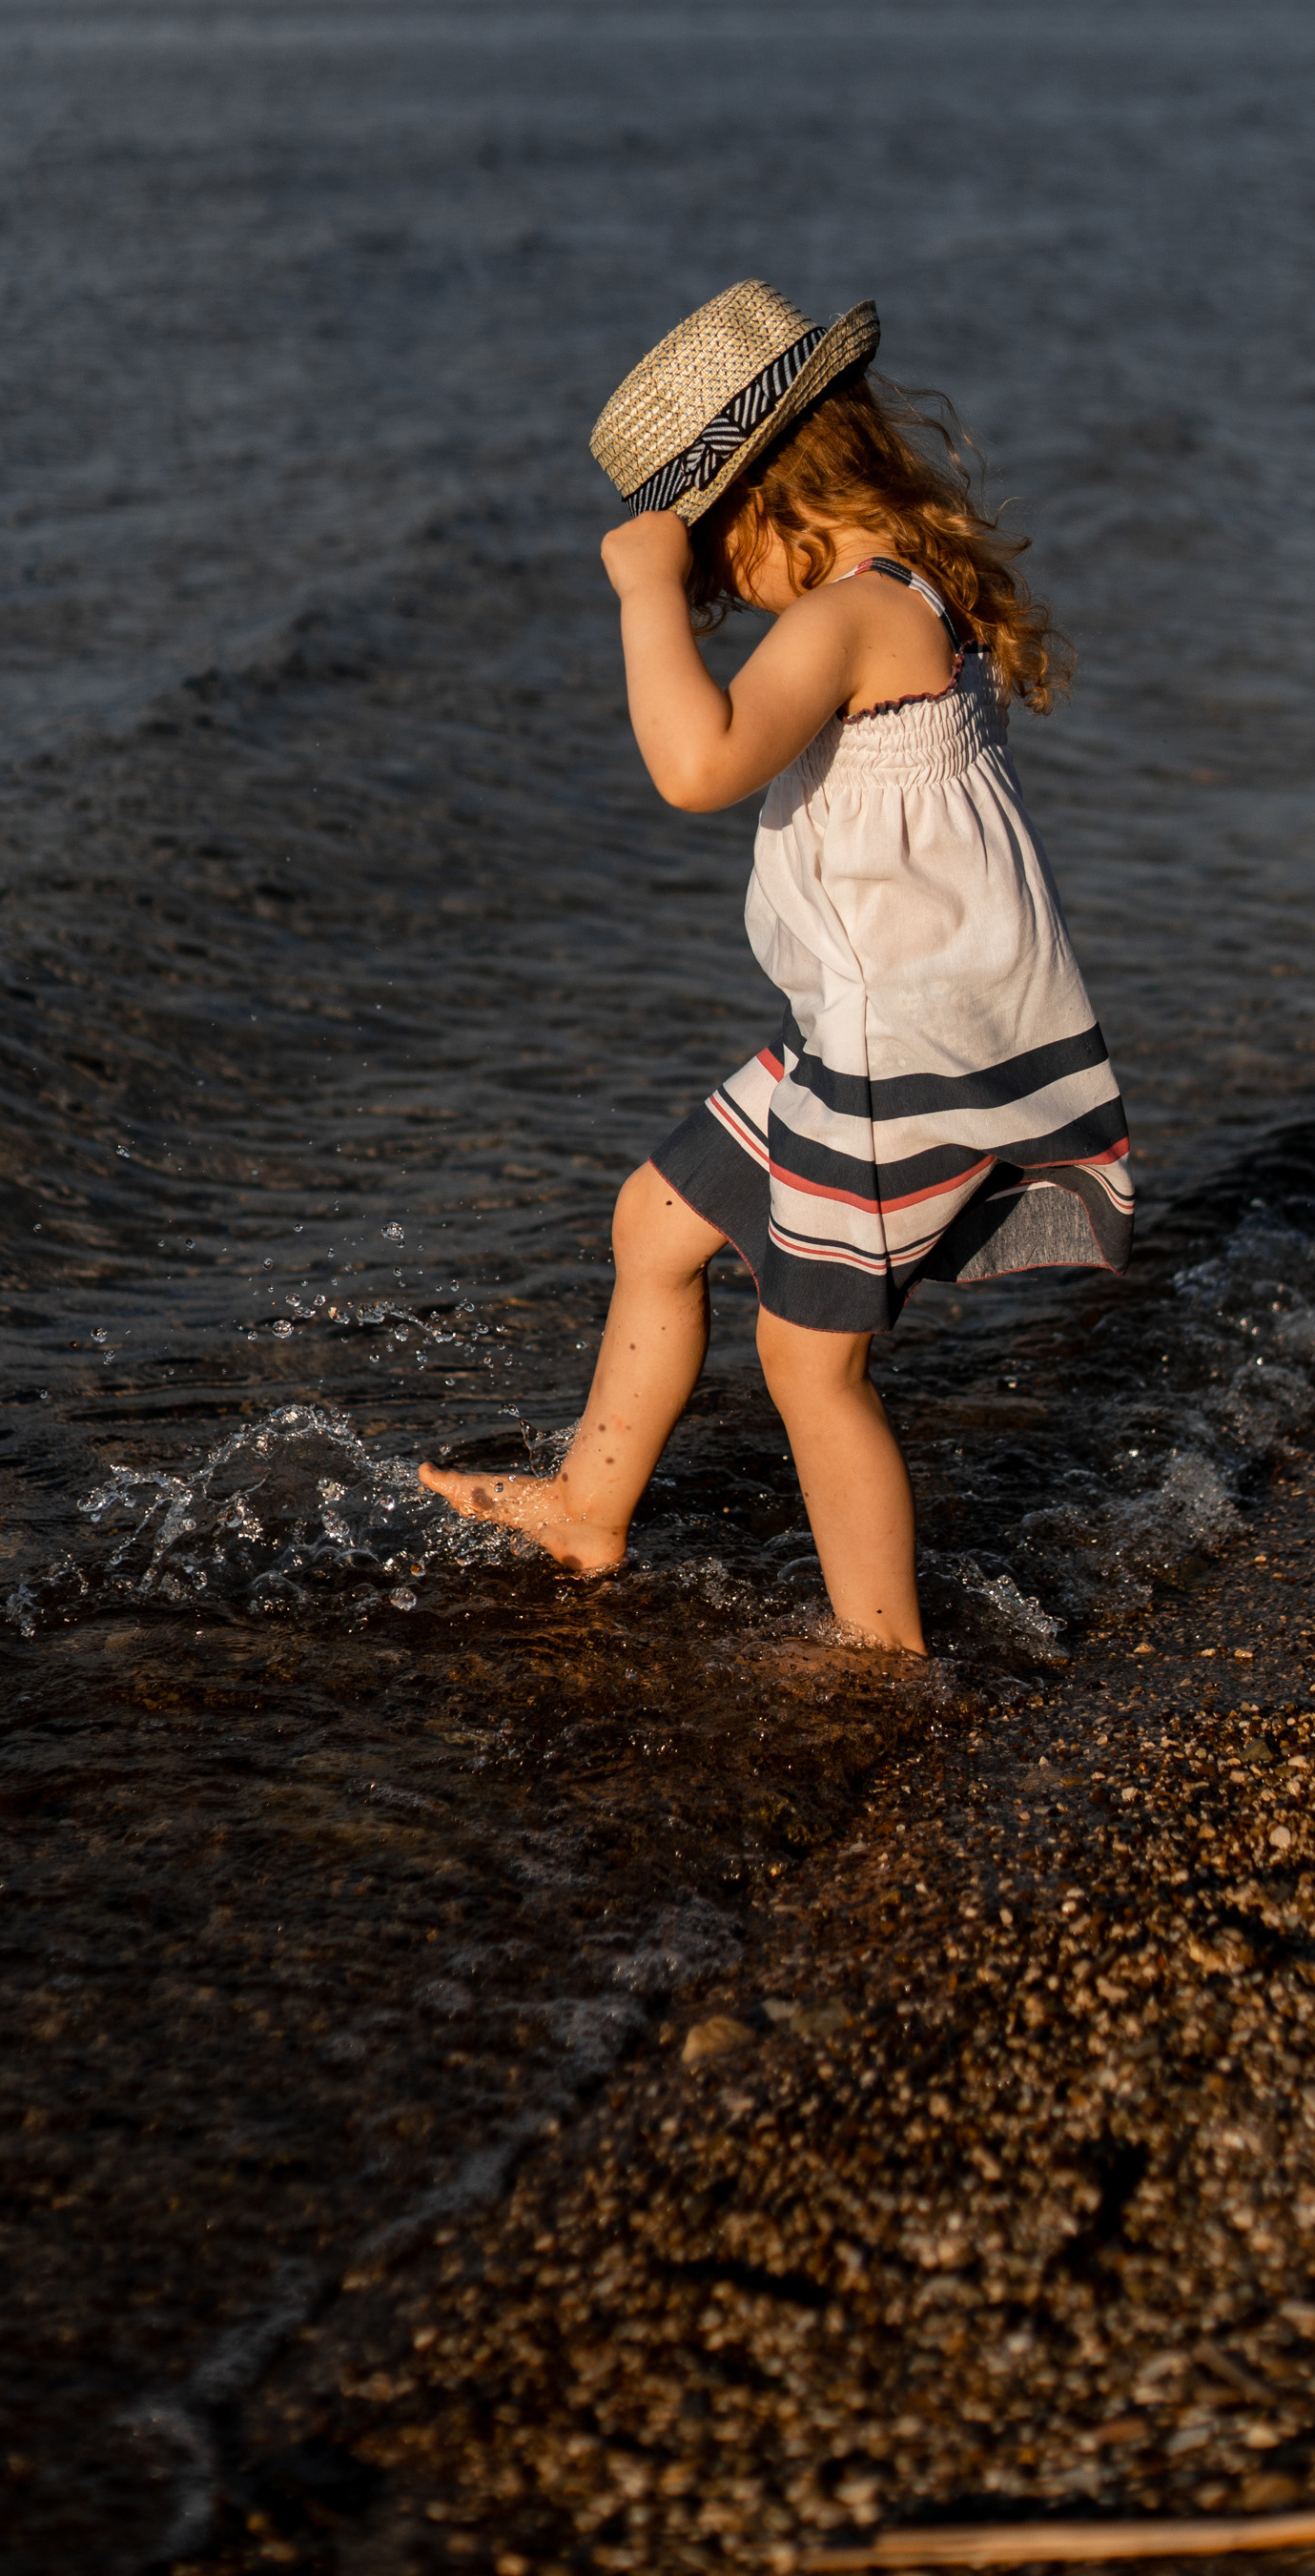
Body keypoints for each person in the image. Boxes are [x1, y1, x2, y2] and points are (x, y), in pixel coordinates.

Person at [421, 280, 1131, 1650]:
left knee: (810, 1365)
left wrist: (642, 599)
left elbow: (696, 766)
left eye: (707, 564)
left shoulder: (855, 618)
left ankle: (883, 1652)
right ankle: (588, 1505)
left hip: (896, 1058)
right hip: (874, 1036)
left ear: (758, 501)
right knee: (656, 1222)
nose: (718, 596)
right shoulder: (909, 589)